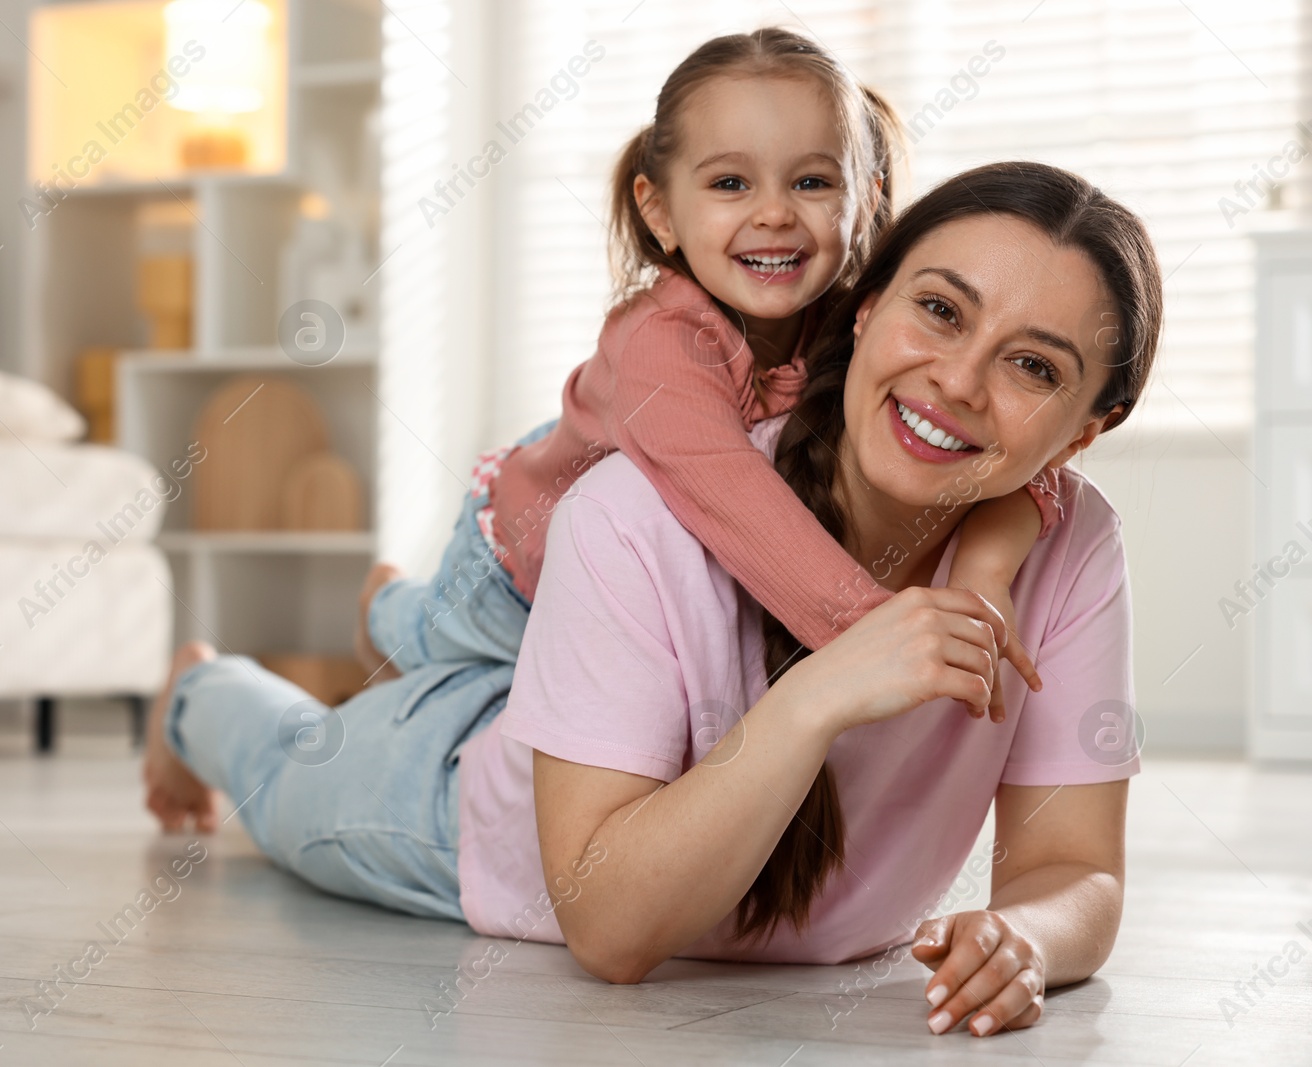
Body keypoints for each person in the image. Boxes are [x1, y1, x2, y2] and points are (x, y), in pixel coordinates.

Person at [142, 159, 1162, 1039]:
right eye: (938, 308)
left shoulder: (1068, 540)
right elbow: (610, 929)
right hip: (455, 811)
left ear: (1081, 430)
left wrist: (1024, 932)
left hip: (588, 712)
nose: (958, 379)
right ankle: (198, 688)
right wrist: (819, 692)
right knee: (277, 770)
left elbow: (1075, 866)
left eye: (1032, 365)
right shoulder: (637, 506)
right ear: (866, 305)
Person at [354, 28, 1057, 722]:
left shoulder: (862, 320)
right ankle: (378, 606)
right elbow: (738, 503)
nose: (775, 213)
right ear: (659, 210)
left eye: (812, 181)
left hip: (633, 593)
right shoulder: (658, 344)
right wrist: (882, 637)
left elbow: (1027, 450)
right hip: (510, 572)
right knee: (422, 644)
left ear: (867, 199)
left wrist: (984, 569)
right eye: (730, 183)